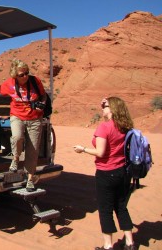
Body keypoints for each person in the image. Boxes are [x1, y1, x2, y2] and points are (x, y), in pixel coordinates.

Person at [73, 97, 137, 250]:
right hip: (123, 172)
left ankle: (108, 246)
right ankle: (130, 243)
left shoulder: (104, 127)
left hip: (106, 173)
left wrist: (83, 149)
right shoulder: (125, 126)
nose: (102, 108)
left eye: (105, 106)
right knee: (121, 206)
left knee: (105, 210)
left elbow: (100, 152)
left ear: (113, 109)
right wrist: (104, 102)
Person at [0, 59, 46, 192]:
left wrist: (42, 105)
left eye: (26, 73)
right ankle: (16, 158)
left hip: (35, 118)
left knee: (33, 150)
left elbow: (43, 96)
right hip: (17, 116)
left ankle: (30, 179)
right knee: (17, 137)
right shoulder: (10, 83)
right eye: (21, 74)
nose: (25, 76)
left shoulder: (35, 81)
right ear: (14, 75)